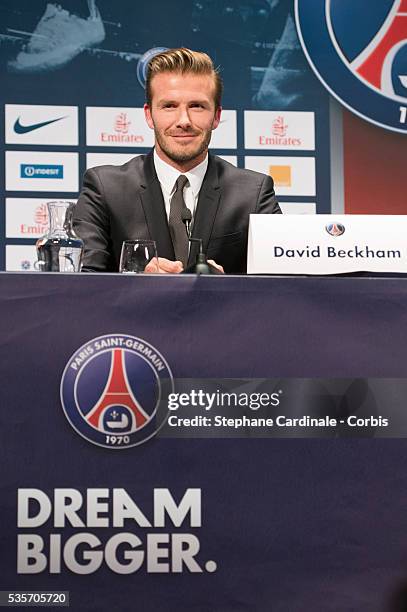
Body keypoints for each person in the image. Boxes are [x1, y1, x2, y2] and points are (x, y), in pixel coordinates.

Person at [73, 47, 281, 274]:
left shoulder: (254, 193)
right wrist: (136, 282)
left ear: (217, 116)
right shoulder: (105, 189)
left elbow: (280, 289)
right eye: (169, 106)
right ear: (148, 115)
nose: (184, 120)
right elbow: (83, 286)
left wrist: (225, 290)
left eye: (197, 106)